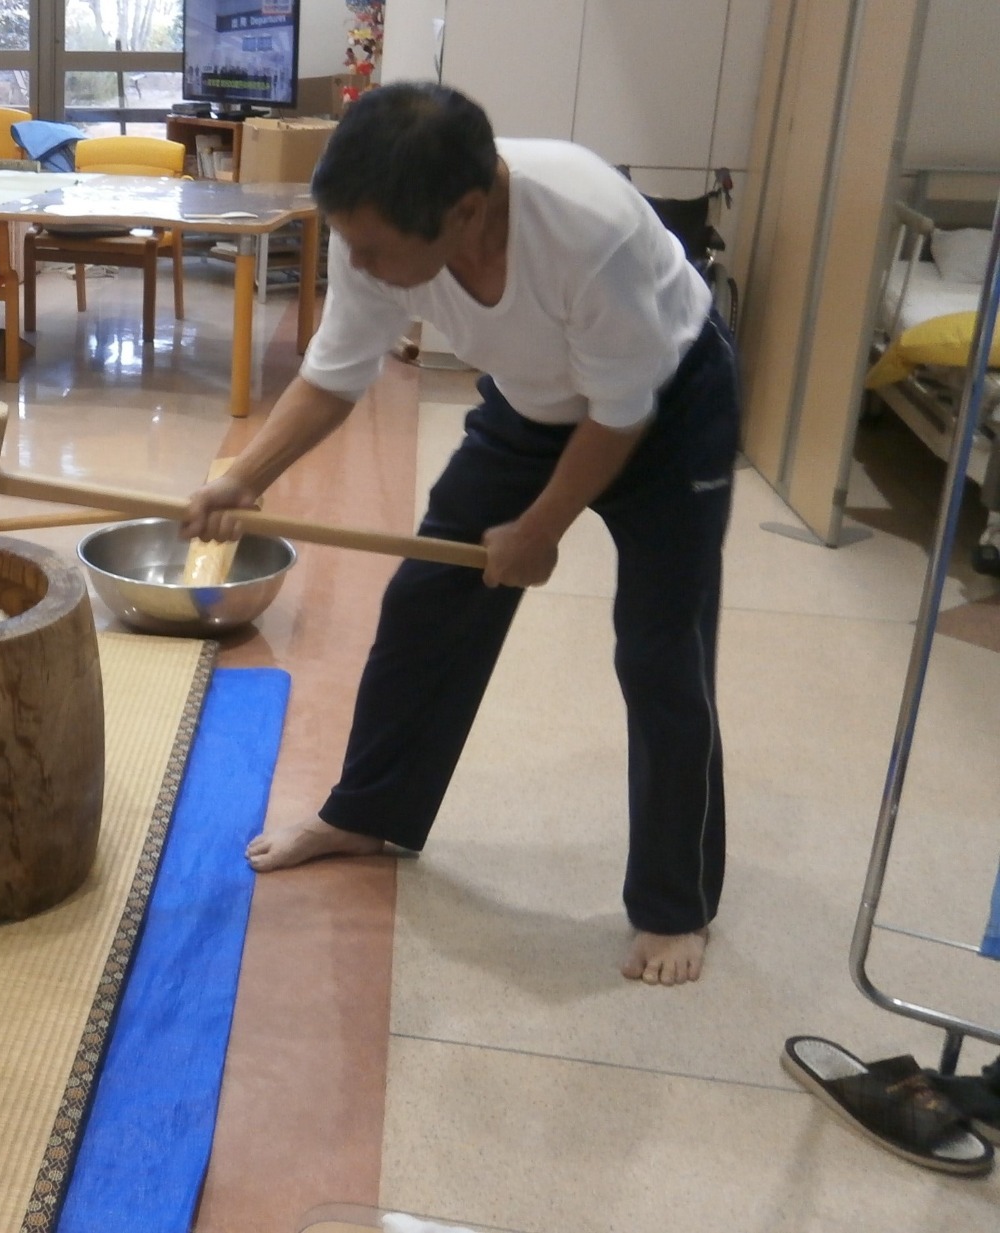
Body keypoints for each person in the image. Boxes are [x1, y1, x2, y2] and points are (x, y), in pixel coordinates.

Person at [182, 84, 738, 989]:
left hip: (669, 411)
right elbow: (335, 372)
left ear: (467, 212)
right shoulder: (384, 221)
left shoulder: (585, 227)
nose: (357, 263)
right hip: (532, 404)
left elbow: (621, 415)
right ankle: (368, 813)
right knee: (425, 602)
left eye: (373, 250)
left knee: (660, 651)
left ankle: (677, 903)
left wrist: (539, 527)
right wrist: (245, 474)